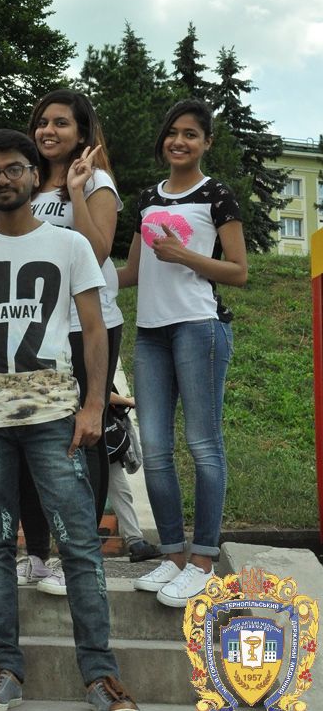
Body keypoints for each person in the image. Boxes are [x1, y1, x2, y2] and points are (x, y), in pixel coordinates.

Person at [0, 128, 139, 711]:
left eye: (14, 169)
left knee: (79, 542)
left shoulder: (68, 244)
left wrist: (94, 405)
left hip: (53, 413)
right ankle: (4, 667)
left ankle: (101, 674)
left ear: (32, 173)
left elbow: (94, 329)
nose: (3, 179)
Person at [118, 98, 247, 607]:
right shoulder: (148, 198)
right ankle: (172, 556)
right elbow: (131, 273)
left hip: (200, 328)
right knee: (154, 447)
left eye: (191, 134)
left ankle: (203, 561)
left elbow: (238, 271)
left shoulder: (216, 194)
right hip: (150, 333)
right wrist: (75, 269)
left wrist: (184, 255)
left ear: (206, 143)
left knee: (203, 444)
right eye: (173, 132)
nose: (179, 141)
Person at [16, 90, 124, 596]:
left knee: (84, 434)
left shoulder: (97, 182)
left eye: (61, 123)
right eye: (42, 122)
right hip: (36, 329)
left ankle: (79, 556)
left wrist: (76, 191)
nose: (48, 130)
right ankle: (37, 557)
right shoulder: (28, 181)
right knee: (31, 435)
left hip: (88, 326)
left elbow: (96, 251)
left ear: (82, 132)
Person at [104, 390, 161, 563]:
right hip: (89, 434)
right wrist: (127, 401)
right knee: (119, 491)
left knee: (120, 490)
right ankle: (135, 542)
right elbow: (98, 390)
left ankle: (136, 542)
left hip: (100, 436)